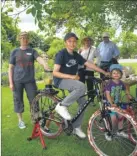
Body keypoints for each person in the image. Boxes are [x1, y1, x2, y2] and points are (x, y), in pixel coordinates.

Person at [53, 32, 109, 139]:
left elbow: (89, 64)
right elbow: (55, 72)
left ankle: (76, 127)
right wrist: (71, 76)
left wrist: (104, 72)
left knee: (83, 104)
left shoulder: (76, 55)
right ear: (65, 42)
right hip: (60, 80)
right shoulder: (61, 54)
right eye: (70, 41)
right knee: (81, 86)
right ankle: (62, 106)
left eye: (74, 41)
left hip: (70, 82)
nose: (72, 43)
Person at [8, 31, 49, 129]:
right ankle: (20, 121)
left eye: (26, 38)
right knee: (18, 100)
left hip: (30, 81)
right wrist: (10, 82)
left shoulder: (32, 51)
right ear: (19, 39)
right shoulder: (14, 51)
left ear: (28, 39)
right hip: (17, 81)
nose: (24, 39)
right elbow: (10, 68)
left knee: (34, 100)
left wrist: (45, 64)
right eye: (22, 38)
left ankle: (35, 119)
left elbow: (39, 58)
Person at [104, 64, 132, 141]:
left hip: (118, 103)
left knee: (121, 117)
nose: (116, 74)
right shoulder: (109, 83)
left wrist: (128, 94)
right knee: (113, 118)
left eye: (118, 73)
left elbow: (125, 88)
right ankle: (110, 132)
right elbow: (107, 94)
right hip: (110, 104)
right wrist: (111, 103)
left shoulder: (121, 82)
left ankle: (120, 131)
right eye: (114, 73)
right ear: (111, 74)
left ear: (121, 75)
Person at [78, 37, 97, 103]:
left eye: (88, 40)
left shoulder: (94, 49)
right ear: (83, 41)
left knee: (90, 85)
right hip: (81, 69)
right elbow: (78, 58)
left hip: (90, 69)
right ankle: (81, 100)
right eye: (85, 40)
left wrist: (96, 63)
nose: (87, 42)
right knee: (81, 85)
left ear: (90, 41)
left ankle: (91, 100)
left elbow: (98, 57)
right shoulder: (80, 49)